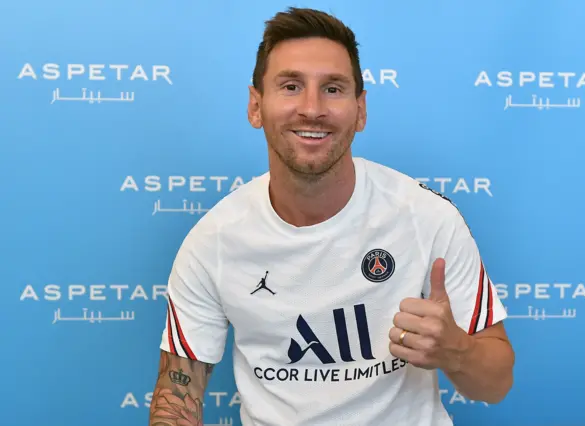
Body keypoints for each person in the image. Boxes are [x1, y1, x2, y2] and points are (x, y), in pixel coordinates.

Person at [148, 7, 515, 426]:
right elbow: (178, 399)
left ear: (360, 110)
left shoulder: (428, 218)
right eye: (290, 86)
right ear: (255, 106)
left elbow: (497, 384)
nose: (312, 108)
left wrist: (456, 351)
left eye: (333, 89)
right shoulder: (212, 241)